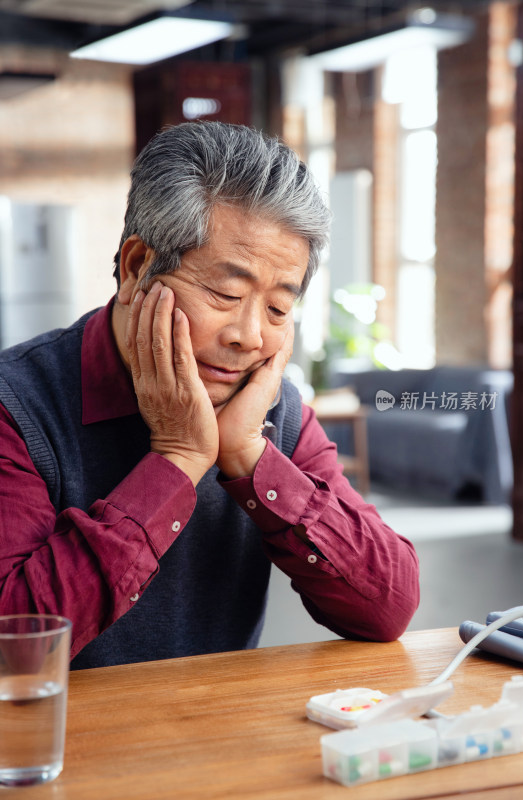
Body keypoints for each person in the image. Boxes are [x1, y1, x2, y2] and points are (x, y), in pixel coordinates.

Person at [0, 122, 419, 669]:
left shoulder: (272, 408)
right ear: (135, 268)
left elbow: (387, 607)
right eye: (225, 293)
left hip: (219, 743)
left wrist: (248, 455)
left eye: (277, 310)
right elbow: (14, 646)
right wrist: (177, 458)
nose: (248, 336)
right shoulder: (17, 406)